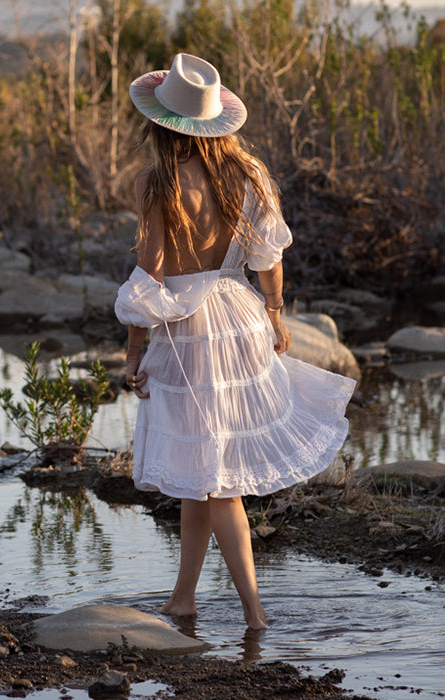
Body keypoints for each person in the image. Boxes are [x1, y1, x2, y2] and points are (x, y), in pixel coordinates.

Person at [114, 53, 356, 629]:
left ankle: (254, 613)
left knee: (217, 480)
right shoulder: (248, 172)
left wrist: (132, 348)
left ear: (159, 124)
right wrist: (274, 315)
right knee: (203, 474)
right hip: (238, 316)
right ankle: (184, 598)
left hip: (186, 332)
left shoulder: (159, 182)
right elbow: (268, 258)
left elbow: (150, 277)